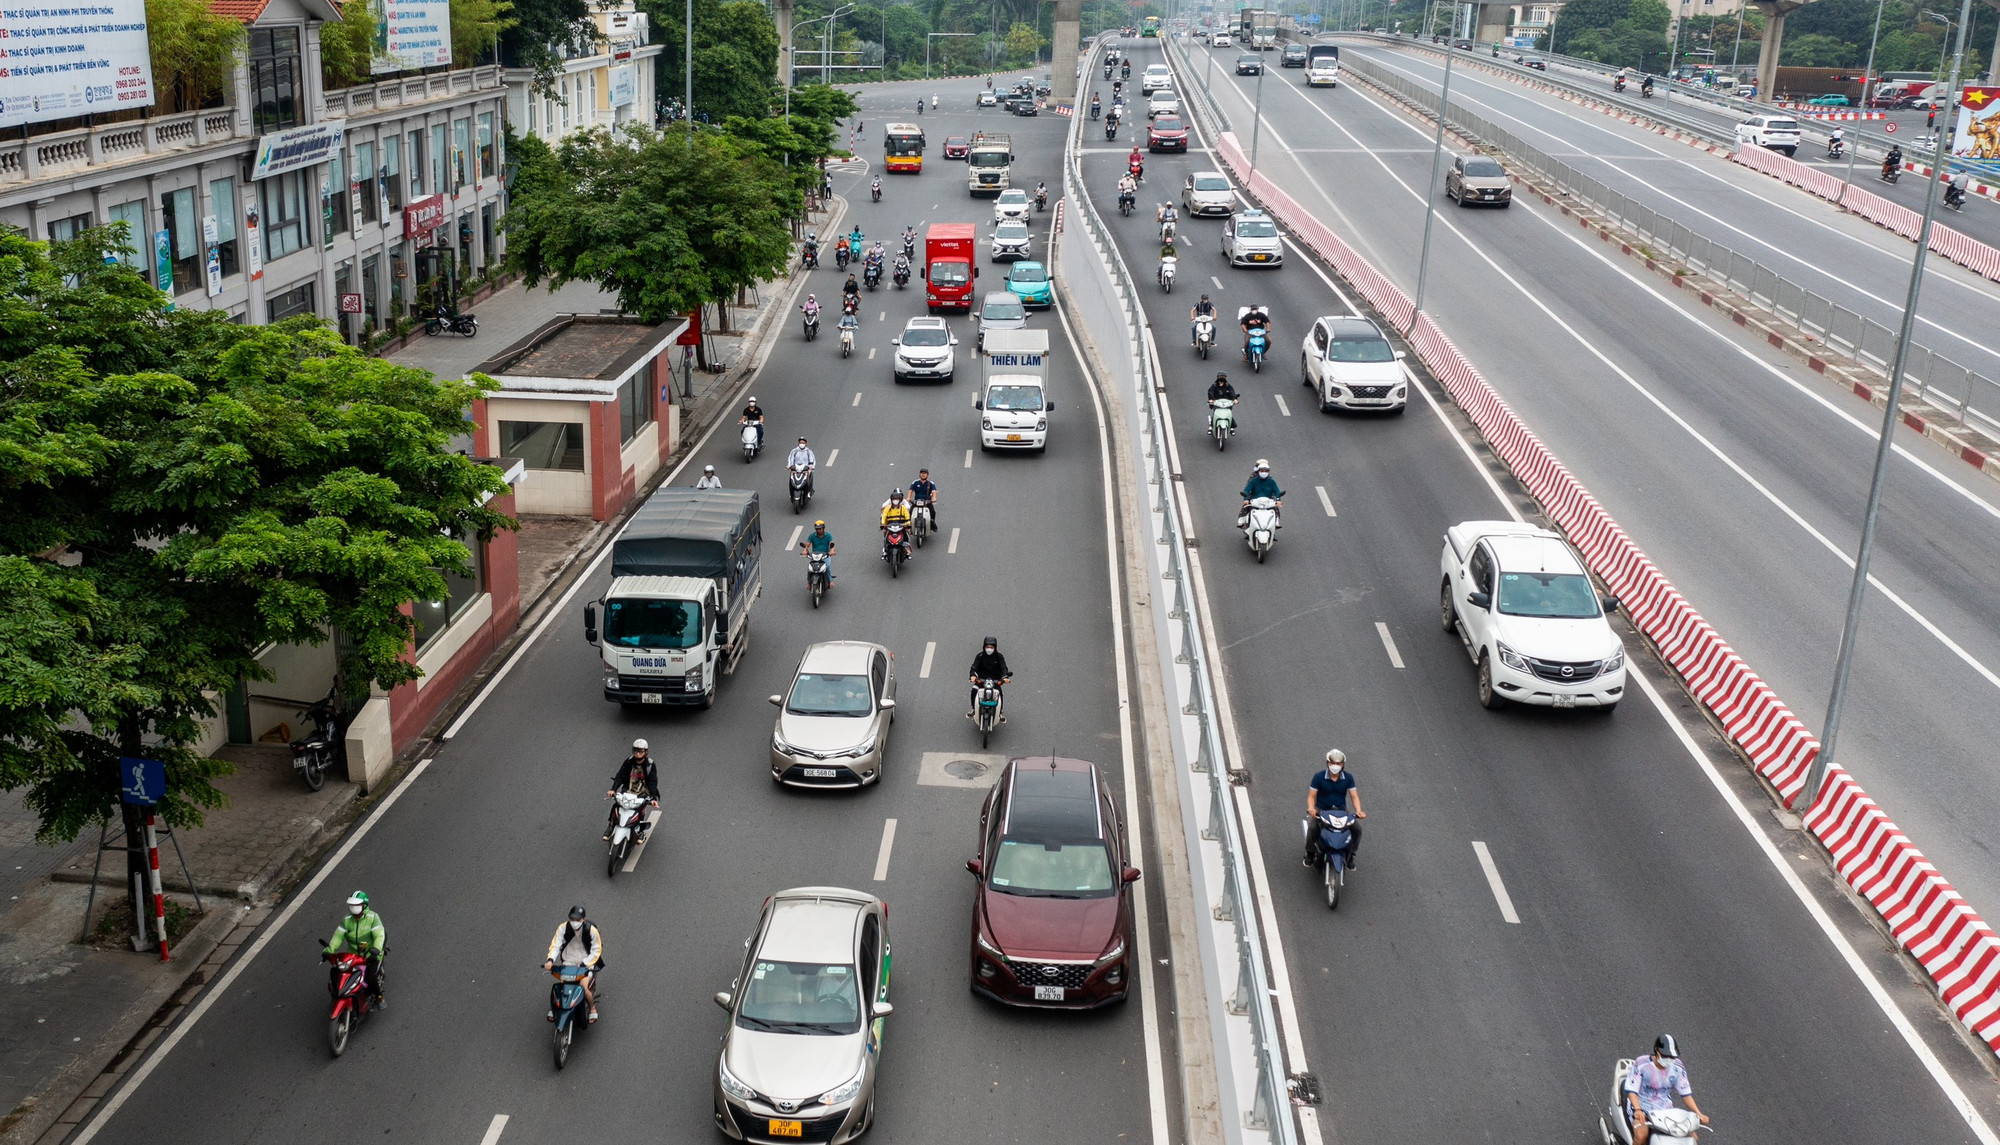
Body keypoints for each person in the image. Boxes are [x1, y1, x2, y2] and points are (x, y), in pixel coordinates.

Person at [1623, 1034, 1708, 1145]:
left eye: (1673, 1057)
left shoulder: (1677, 1067)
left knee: (1692, 1138)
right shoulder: (1642, 1064)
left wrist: (1699, 1113)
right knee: (1641, 1136)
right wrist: (1638, 1110)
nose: (1670, 1060)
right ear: (1657, 1052)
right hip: (1642, 1106)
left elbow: (1685, 1094)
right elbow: (1632, 1091)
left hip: (1665, 1110)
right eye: (1666, 1056)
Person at [542, 906, 604, 1024]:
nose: (575, 922)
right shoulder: (563, 928)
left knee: (584, 988)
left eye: (578, 919)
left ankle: (592, 1008)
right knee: (561, 986)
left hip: (586, 962)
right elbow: (556, 945)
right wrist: (550, 960)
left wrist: (584, 963)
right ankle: (555, 1009)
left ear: (583, 919)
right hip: (568, 961)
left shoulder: (591, 930)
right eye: (572, 919)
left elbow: (597, 950)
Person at [1304, 749, 1364, 868]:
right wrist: (1311, 808)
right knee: (1312, 829)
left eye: (1338, 764)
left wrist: (1358, 810)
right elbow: (1311, 796)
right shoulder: (1318, 777)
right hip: (1322, 811)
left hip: (1341, 812)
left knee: (1357, 830)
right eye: (1333, 763)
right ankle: (1310, 853)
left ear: (1343, 765)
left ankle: (1351, 855)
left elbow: (1354, 796)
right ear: (1328, 763)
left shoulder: (1348, 778)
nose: (1335, 766)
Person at [325, 891, 386, 1008]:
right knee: (337, 973)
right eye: (352, 905)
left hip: (370, 954)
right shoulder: (347, 920)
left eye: (357, 905)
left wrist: (376, 949)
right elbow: (338, 936)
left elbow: (379, 935)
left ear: (364, 905)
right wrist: (329, 950)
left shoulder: (373, 918)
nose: (354, 908)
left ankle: (379, 997)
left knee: (369, 977)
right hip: (352, 956)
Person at [604, 739, 660, 841]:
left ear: (645, 752)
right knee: (616, 805)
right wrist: (613, 789)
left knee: (639, 810)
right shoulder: (629, 761)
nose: (638, 754)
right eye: (636, 751)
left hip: (643, 792)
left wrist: (652, 798)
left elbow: (653, 782)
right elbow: (620, 775)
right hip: (628, 790)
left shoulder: (650, 765)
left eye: (641, 751)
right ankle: (611, 825)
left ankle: (640, 831)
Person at [968, 636, 1012, 718]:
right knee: (974, 690)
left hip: (995, 681)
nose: (989, 649)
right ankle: (974, 709)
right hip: (981, 680)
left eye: (991, 647)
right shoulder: (980, 656)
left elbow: (1003, 667)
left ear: (995, 647)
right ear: (984, 647)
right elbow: (974, 667)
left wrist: (1005, 677)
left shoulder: (999, 657)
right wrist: (973, 676)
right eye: (987, 647)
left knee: (999, 694)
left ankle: (1000, 712)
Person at [1238, 458, 1284, 530]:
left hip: (1267, 497)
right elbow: (1247, 489)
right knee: (1246, 506)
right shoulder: (1253, 478)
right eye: (1262, 470)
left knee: (1275, 507)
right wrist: (1246, 499)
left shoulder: (1270, 480)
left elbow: (1276, 490)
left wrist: (1278, 500)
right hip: (1254, 496)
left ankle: (1276, 523)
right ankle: (1241, 521)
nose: (1264, 472)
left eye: (1266, 471)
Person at [879, 488, 913, 560]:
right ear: (891, 500)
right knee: (886, 536)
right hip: (890, 525)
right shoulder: (887, 508)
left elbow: (907, 516)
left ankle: (907, 551)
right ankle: (885, 550)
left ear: (900, 500)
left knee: (906, 536)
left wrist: (908, 524)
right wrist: (883, 524)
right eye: (894, 499)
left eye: (897, 499)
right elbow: (884, 516)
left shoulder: (903, 508)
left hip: (901, 525)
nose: (895, 501)